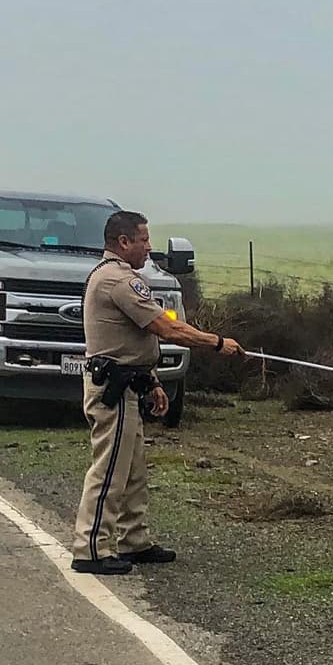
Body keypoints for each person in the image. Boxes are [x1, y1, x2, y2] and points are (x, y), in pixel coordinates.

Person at [70, 211, 244, 575]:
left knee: (132, 470)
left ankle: (133, 541)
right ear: (123, 242)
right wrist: (216, 343)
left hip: (130, 382)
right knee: (109, 470)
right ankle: (90, 549)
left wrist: (152, 381)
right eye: (143, 240)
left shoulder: (120, 278)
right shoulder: (117, 281)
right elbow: (166, 328)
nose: (149, 247)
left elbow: (133, 341)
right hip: (113, 388)